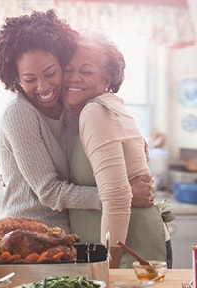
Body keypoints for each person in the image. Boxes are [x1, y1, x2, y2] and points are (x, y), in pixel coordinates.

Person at [0, 10, 154, 235]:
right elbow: (48, 191)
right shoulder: (18, 113)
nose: (43, 87)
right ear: (16, 79)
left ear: (61, 64)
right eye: (30, 79)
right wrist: (119, 195)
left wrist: (133, 152)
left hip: (69, 235)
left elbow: (99, 148)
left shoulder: (72, 107)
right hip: (28, 236)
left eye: (50, 73)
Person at [63, 30, 173, 268]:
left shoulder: (95, 112)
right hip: (132, 245)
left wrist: (107, 269)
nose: (73, 78)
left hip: (130, 252)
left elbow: (117, 198)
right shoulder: (98, 110)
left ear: (107, 79)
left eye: (86, 71)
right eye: (68, 70)